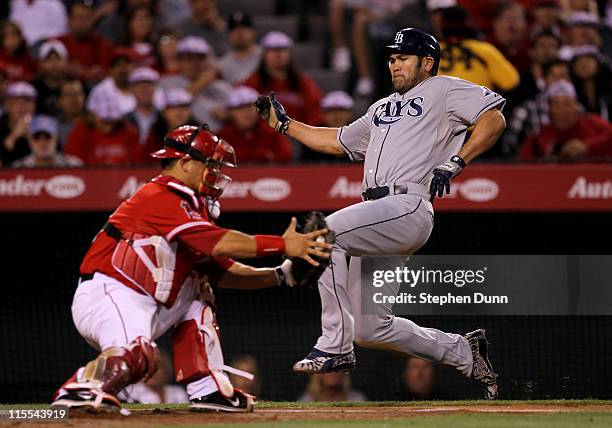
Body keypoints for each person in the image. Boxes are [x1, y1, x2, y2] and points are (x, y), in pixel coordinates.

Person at [255, 28, 505, 400]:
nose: (394, 63)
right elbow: (337, 141)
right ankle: (463, 352)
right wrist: (285, 125)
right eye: (391, 58)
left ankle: (334, 346)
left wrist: (457, 161)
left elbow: (494, 118)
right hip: (378, 214)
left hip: (407, 205)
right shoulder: (381, 108)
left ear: (427, 62)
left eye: (403, 57)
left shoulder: (444, 89)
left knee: (325, 235)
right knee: (370, 328)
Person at [50, 124, 331, 413]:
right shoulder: (160, 195)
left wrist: (280, 275)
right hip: (111, 292)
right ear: (184, 163)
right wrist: (283, 245)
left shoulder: (191, 206)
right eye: (210, 164)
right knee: (138, 355)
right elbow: (219, 243)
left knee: (200, 285)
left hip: (146, 301)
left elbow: (223, 270)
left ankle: (208, 389)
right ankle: (82, 389)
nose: (217, 172)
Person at [245, 32, 323, 128]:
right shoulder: (252, 83)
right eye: (273, 50)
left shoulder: (303, 82)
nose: (278, 55)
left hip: (300, 136)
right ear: (264, 55)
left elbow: (316, 111)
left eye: (283, 50)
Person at [519, 80, 612, 161]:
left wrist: (587, 146)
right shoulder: (540, 136)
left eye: (567, 104)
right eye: (556, 105)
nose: (562, 110)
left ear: (575, 106)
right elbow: (523, 163)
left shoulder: (593, 123)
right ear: (549, 109)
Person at [437, 6, 519, 93]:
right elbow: (511, 81)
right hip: (478, 105)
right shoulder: (485, 50)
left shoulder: (431, 51)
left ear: (441, 25)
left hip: (439, 106)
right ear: (468, 24)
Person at [159, 36, 232, 132]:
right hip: (183, 139)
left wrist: (229, 115)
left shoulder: (222, 86)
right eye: (189, 59)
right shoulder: (168, 82)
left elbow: (242, 111)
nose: (195, 63)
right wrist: (202, 81)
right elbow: (178, 101)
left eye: (200, 58)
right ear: (179, 61)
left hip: (219, 139)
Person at [503, 59, 570, 157]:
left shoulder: (578, 109)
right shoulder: (526, 110)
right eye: (555, 77)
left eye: (564, 76)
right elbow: (508, 146)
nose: (560, 82)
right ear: (544, 79)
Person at [218, 86, 293, 164]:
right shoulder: (224, 136)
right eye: (240, 108)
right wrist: (263, 155)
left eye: (252, 107)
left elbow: (286, 155)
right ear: (230, 112)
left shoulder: (272, 130)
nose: (247, 112)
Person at [64, 90, 140, 166]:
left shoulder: (129, 132)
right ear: (92, 115)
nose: (108, 123)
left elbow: (138, 164)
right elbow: (73, 164)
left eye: (111, 119)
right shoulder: (80, 132)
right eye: (103, 119)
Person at [58, 0, 114, 86]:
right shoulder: (58, 42)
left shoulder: (103, 45)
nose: (82, 22)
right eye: (78, 17)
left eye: (87, 18)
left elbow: (107, 74)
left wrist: (81, 72)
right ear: (69, 20)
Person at [301, 91, 354, 163]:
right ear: (322, 114)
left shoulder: (359, 134)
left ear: (349, 113)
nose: (336, 115)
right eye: (330, 111)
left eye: (341, 110)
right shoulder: (312, 135)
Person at [11, 115, 82, 168]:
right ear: (29, 140)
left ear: (56, 139)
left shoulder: (73, 166)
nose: (42, 142)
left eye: (47, 136)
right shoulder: (18, 168)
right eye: (37, 137)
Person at [120, 350, 189, 404]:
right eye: (146, 368)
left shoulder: (178, 392)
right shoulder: (128, 392)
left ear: (167, 370)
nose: (151, 373)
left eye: (156, 368)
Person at [88, 47, 138, 117]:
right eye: (118, 65)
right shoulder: (101, 90)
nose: (123, 69)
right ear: (110, 70)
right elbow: (91, 115)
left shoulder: (141, 87)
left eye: (126, 64)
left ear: (134, 67)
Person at [569, 45, 612, 121]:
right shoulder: (570, 97)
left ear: (598, 65)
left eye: (588, 59)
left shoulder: (609, 93)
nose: (584, 64)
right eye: (579, 61)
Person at [218, 11, 261, 85]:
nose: (239, 32)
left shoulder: (266, 56)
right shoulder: (221, 65)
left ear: (253, 32)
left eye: (244, 27)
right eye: (234, 29)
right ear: (228, 35)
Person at [487, 2, 531, 73]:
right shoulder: (486, 49)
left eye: (516, 20)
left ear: (525, 25)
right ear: (495, 23)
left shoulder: (531, 50)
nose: (512, 26)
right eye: (508, 19)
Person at [0, 81, 37, 166]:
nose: (21, 106)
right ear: (6, 105)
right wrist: (14, 136)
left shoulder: (44, 125)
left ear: (35, 106)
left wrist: (32, 138)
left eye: (27, 102)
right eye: (16, 102)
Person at [126, 67, 162, 149]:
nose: (144, 89)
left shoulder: (164, 118)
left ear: (155, 89)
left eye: (148, 85)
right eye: (139, 85)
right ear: (131, 89)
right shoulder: (124, 120)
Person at [32, 39, 69, 115]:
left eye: (58, 59)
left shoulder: (75, 86)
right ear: (41, 63)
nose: (54, 64)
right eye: (49, 59)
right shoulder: (34, 88)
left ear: (66, 62)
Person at [57, 78, 86, 148]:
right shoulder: (53, 127)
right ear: (60, 101)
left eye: (77, 93)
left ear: (84, 97)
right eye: (68, 95)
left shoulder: (96, 125)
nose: (74, 99)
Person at [298, 372, 366, 402]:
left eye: (337, 370)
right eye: (328, 370)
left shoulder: (356, 399)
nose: (333, 373)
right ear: (318, 375)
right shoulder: (307, 400)